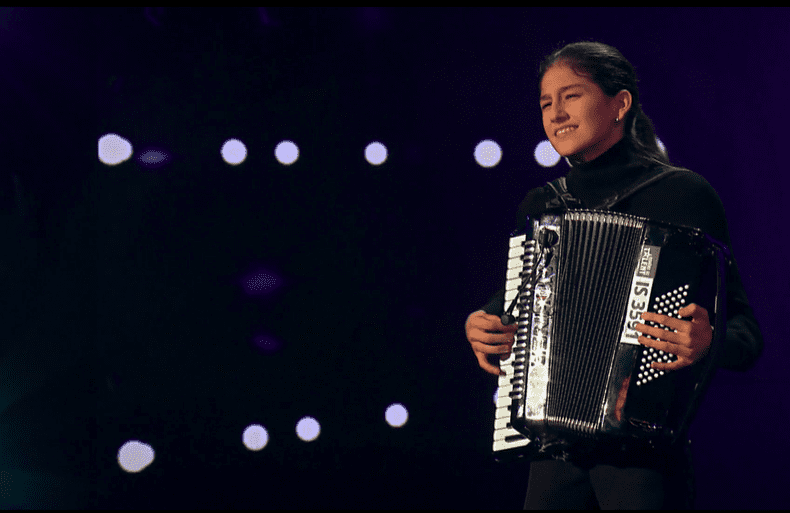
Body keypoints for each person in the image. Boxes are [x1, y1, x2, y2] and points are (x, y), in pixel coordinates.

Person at [464, 41, 763, 509]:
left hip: (642, 458)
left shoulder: (682, 195)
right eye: (546, 103)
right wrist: (483, 323)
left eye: (572, 96)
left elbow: (746, 333)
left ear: (620, 104)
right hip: (552, 453)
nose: (556, 114)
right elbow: (513, 305)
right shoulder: (542, 205)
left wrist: (708, 341)